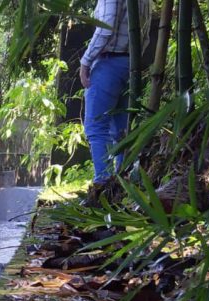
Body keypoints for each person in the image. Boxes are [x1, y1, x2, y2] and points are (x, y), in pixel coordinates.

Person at [79, 0, 148, 183]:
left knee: (97, 126)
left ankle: (103, 184)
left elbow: (105, 29)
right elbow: (146, 36)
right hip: (131, 65)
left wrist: (85, 62)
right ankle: (123, 184)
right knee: (122, 131)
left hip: (108, 63)